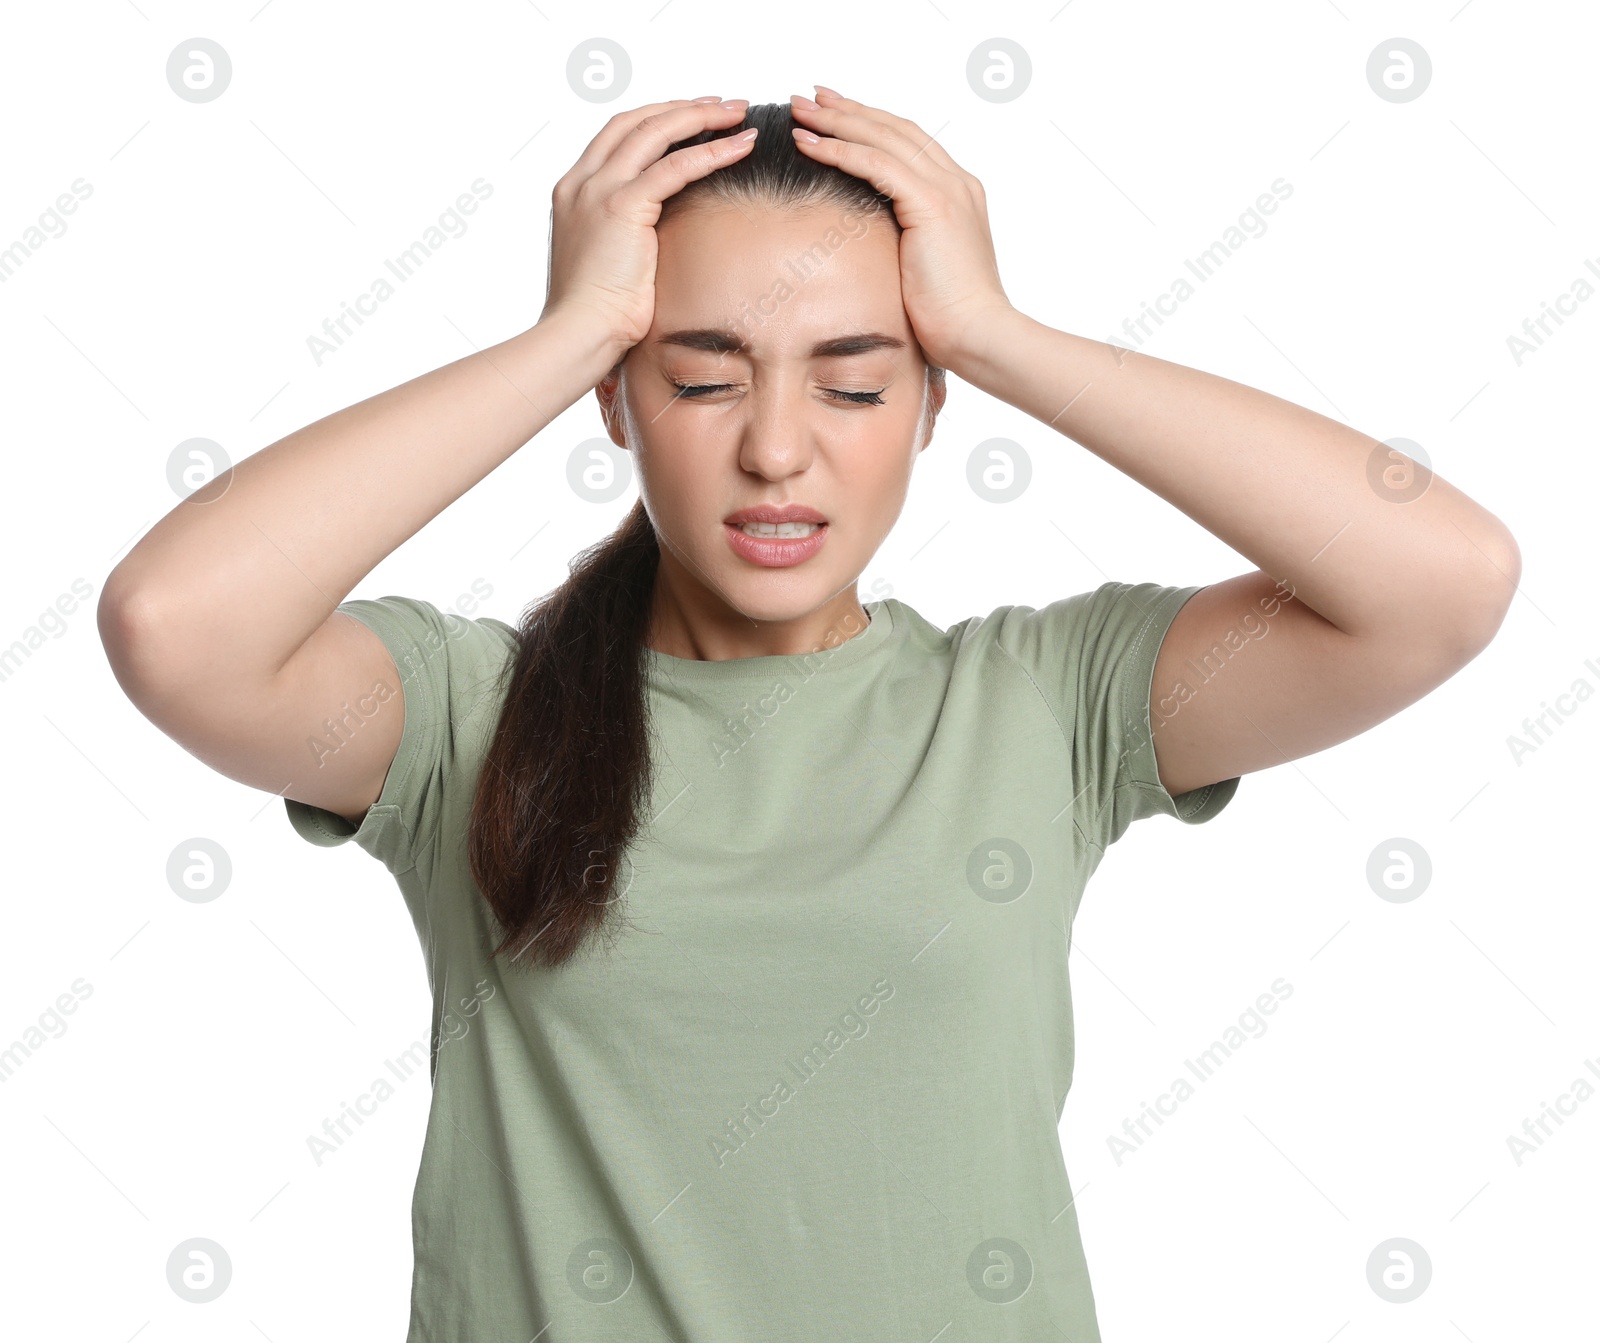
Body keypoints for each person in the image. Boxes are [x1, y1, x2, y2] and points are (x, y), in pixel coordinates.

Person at [98, 88, 1519, 1341]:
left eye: (854, 380)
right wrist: (570, 333)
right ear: (619, 403)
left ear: (931, 401)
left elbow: (1438, 583)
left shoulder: (1041, 706)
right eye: (702, 377)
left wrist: (1001, 335)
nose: (777, 448)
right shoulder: (469, 718)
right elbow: (177, 627)